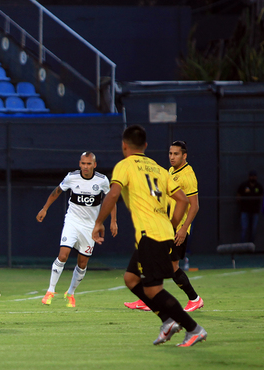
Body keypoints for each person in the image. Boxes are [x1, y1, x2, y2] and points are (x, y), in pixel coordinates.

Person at [92, 125, 207, 347]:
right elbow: (183, 201)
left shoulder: (125, 166)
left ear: (124, 146)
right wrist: (171, 226)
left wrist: (99, 223)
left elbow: (113, 194)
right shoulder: (159, 169)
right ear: (145, 146)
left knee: (153, 288)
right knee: (131, 278)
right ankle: (167, 321)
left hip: (150, 235)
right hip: (161, 232)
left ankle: (193, 329)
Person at [124, 140, 204, 312]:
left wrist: (183, 229)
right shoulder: (171, 171)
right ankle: (150, 299)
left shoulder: (187, 176)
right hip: (166, 226)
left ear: (185, 156)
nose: (172, 157)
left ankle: (194, 299)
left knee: (171, 267)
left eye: (176, 154)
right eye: (170, 153)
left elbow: (195, 206)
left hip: (177, 229)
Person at [36, 152, 118, 308]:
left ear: (95, 165)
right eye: (83, 163)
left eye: (89, 164)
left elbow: (111, 200)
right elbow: (57, 191)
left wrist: (113, 221)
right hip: (72, 222)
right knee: (63, 255)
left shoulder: (101, 180)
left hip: (90, 226)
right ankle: (50, 290)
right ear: (79, 164)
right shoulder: (71, 177)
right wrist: (45, 208)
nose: (85, 167)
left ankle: (71, 293)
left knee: (82, 263)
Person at [237, 170, 264, 243]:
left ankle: (251, 246)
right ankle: (242, 246)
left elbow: (262, 196)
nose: (253, 178)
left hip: (255, 211)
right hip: (245, 210)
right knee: (244, 228)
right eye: (251, 176)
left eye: (254, 176)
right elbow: (238, 196)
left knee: (254, 229)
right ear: (249, 177)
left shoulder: (259, 186)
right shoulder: (244, 185)